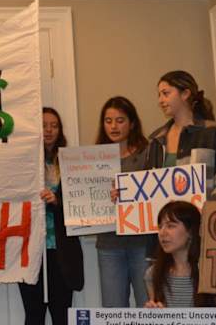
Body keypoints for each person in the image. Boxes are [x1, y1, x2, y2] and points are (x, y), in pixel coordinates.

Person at [18, 107, 84, 325]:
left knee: (62, 314)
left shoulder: (71, 162)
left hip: (61, 250)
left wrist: (56, 202)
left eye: (54, 125)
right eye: (44, 125)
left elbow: (80, 202)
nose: (49, 130)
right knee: (34, 314)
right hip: (31, 250)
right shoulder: (23, 162)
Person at [94, 97, 154, 307]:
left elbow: (156, 195)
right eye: (108, 120)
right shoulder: (93, 159)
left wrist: (129, 194)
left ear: (132, 123)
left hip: (142, 244)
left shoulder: (148, 154)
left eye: (120, 120)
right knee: (113, 311)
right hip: (109, 244)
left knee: (148, 306)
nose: (113, 126)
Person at [146, 70, 216, 201]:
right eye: (159, 95)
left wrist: (213, 217)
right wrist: (122, 192)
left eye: (165, 94)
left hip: (204, 218)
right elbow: (146, 186)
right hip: (167, 219)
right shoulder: (156, 140)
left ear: (185, 94)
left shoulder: (212, 132)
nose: (160, 100)